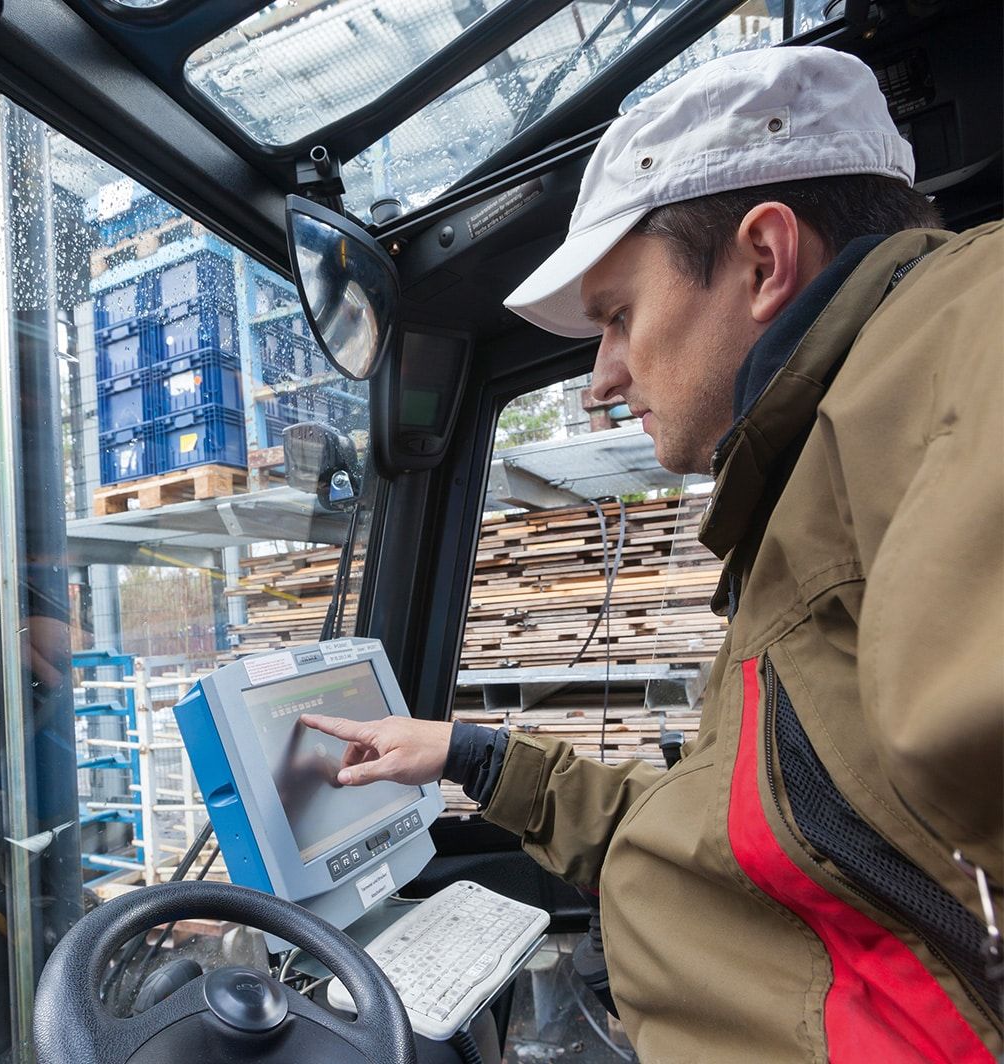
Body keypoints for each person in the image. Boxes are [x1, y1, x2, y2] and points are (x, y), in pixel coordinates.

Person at [303, 45, 1003, 1062]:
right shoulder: (803, 482)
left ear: (765, 260)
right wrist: (470, 754)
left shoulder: (956, 334)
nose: (599, 379)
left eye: (618, 317)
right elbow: (733, 831)